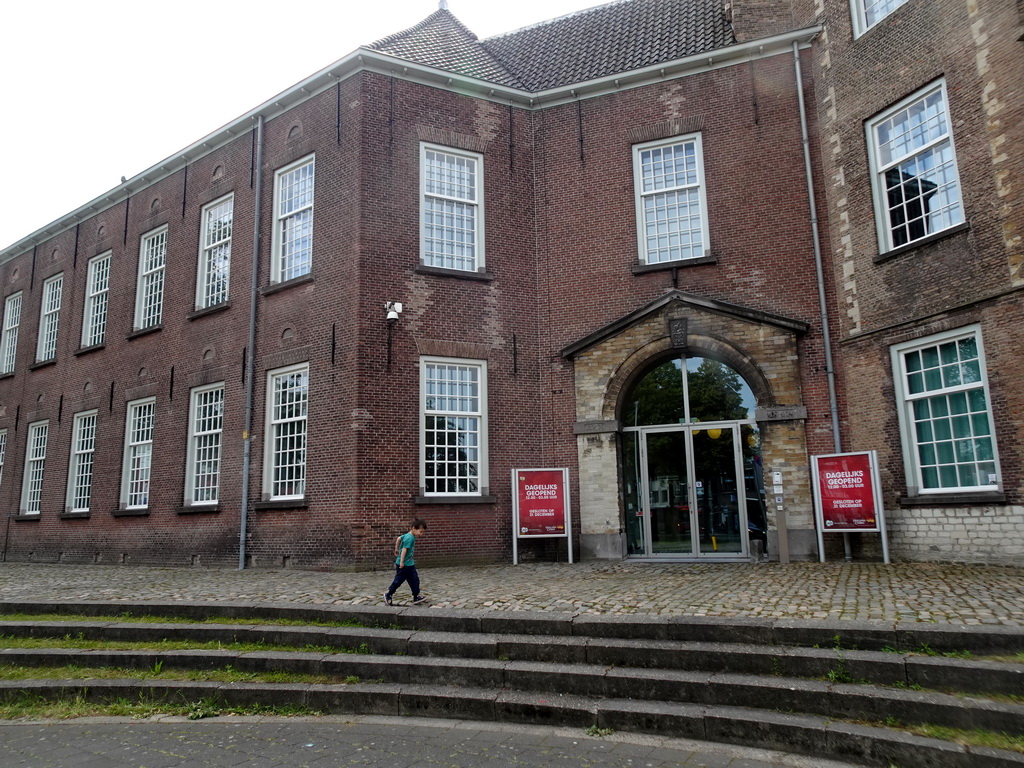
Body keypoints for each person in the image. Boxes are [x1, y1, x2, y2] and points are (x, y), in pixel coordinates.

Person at [384, 519, 428, 606]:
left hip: (410, 564)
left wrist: (396, 549)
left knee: (414, 579)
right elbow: (404, 549)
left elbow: (399, 538)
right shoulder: (410, 538)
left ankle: (416, 596)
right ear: (413, 528)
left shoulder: (408, 535)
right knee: (398, 581)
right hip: (404, 565)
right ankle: (388, 594)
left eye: (423, 532)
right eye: (421, 532)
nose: (421, 534)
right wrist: (401, 562)